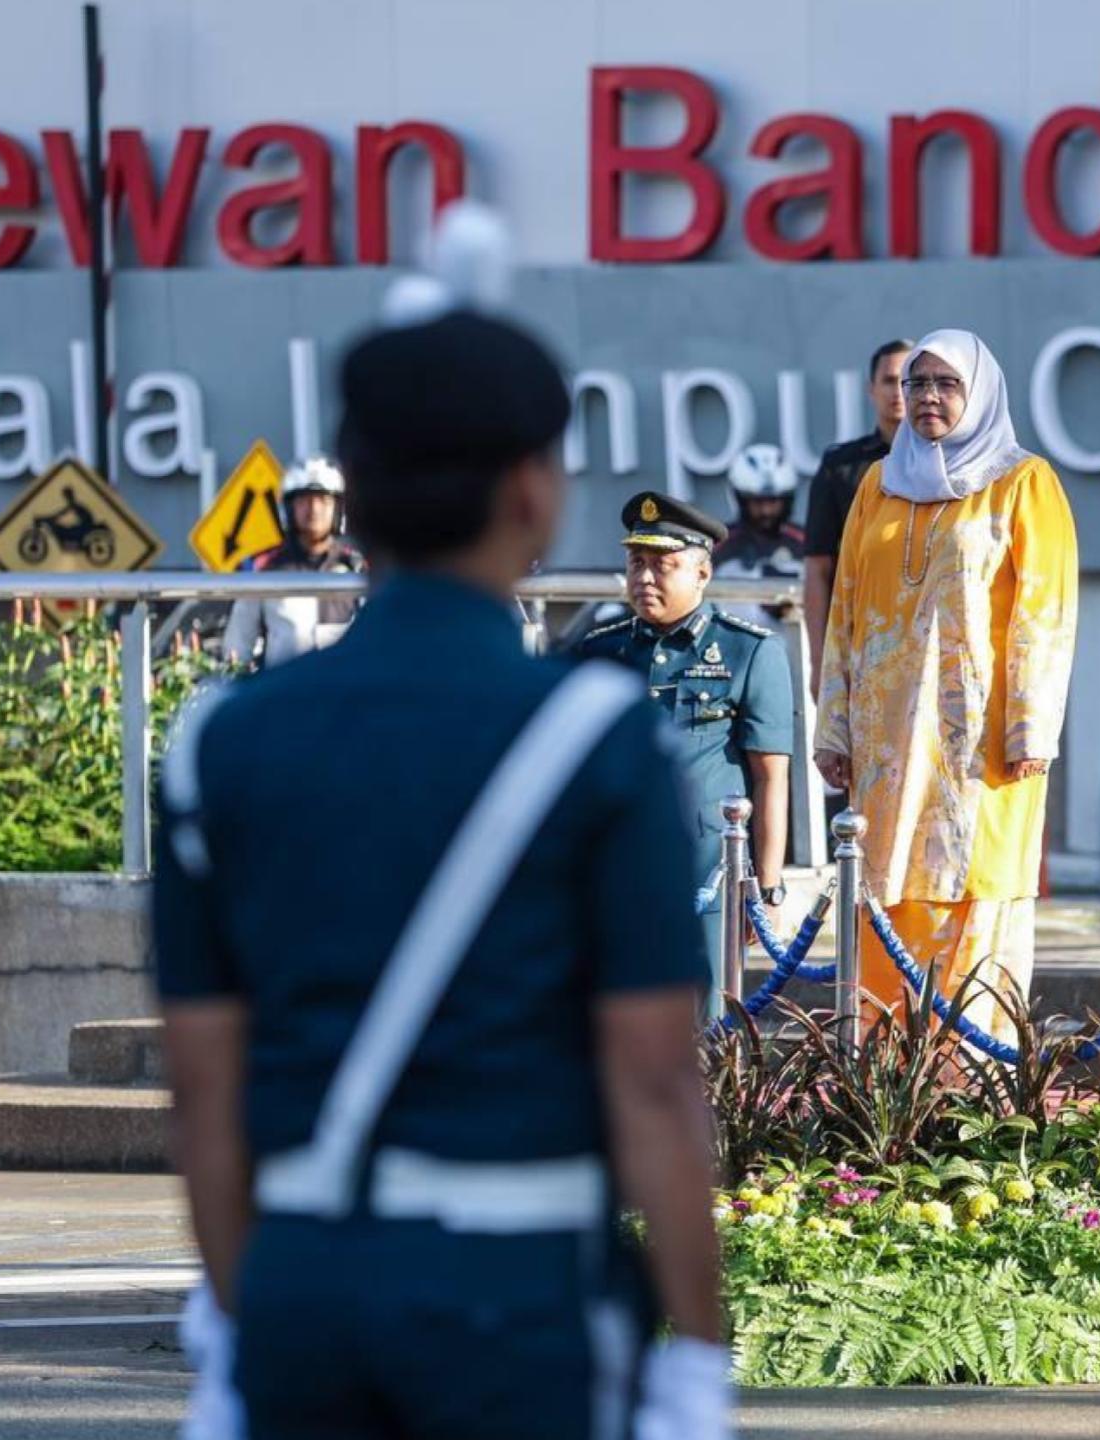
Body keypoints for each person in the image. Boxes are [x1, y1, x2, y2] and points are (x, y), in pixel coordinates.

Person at [153, 286, 729, 1438]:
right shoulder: (603, 739)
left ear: (350, 500)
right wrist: (695, 1362)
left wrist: (245, 1317)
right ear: (534, 492)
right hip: (520, 1299)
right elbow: (656, 1080)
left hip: (307, 1286)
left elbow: (206, 1084)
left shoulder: (221, 739)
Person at [814, 329, 1078, 1040]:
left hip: (979, 750)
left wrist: (1031, 726)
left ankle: (969, 1093)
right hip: (884, 745)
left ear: (980, 392)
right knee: (881, 893)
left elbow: (1045, 613)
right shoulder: (876, 484)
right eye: (915, 384)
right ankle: (880, 1091)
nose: (927, 397)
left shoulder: (1024, 482)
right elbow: (844, 606)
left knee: (971, 894)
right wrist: (833, 725)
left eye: (945, 383)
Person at [575, 491, 795, 996]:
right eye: (636, 562)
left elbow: (771, 777)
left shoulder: (750, 652)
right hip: (617, 868)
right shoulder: (600, 650)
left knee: (711, 1020)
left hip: (709, 872)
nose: (645, 577)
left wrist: (767, 886)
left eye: (662, 564)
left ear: (701, 572)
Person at [804, 338, 911, 681]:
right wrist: (819, 661)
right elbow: (818, 567)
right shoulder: (841, 466)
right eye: (889, 380)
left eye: (909, 381)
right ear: (871, 388)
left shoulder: (950, 466)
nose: (899, 391)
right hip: (861, 636)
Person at [222, 458, 367, 670]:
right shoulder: (264, 568)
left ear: (338, 509)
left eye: (323, 501)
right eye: (304, 500)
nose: (314, 509)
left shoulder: (357, 567)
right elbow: (237, 648)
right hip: (282, 695)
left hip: (347, 693)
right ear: (289, 508)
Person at [713, 443, 808, 631]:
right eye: (757, 502)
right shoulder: (718, 544)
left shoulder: (806, 542)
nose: (766, 511)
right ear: (740, 499)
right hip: (730, 647)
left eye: (773, 501)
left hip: (797, 651)